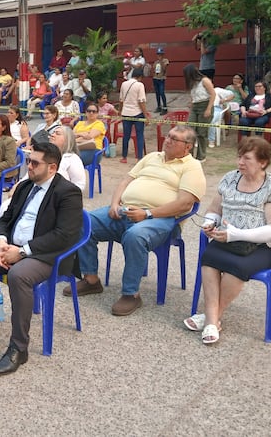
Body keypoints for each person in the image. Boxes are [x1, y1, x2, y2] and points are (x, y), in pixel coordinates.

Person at [0, 142, 83, 375]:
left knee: (18, 275)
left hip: (45, 255)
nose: (28, 166)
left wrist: (21, 252)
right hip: (11, 246)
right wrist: (1, 241)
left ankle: (19, 347)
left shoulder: (68, 192)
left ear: (52, 168)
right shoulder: (25, 186)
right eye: (29, 161)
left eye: (34, 163)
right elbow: (6, 217)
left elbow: (64, 236)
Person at [66, 125, 206, 316]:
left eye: (174, 139)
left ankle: (131, 294)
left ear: (187, 147)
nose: (168, 140)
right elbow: (125, 180)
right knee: (83, 221)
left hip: (161, 219)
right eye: (168, 136)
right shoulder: (152, 157)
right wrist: (114, 203)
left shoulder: (192, 167)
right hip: (125, 210)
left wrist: (147, 213)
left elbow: (184, 204)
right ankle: (91, 279)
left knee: (135, 235)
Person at [185, 137, 271, 344]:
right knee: (209, 258)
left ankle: (210, 319)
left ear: (263, 162)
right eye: (239, 157)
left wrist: (236, 234)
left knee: (237, 266)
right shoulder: (229, 179)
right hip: (229, 239)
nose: (240, 162)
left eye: (247, 158)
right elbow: (215, 209)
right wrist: (210, 222)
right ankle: (212, 320)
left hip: (263, 246)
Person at [183, 64, 216, 162]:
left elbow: (213, 94)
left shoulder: (205, 81)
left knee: (202, 132)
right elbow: (193, 95)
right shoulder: (192, 83)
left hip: (205, 105)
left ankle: (201, 156)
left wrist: (208, 109)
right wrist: (191, 102)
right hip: (195, 106)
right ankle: (189, 154)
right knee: (190, 130)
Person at [118, 67, 150, 163]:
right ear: (140, 77)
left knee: (126, 136)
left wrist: (120, 111)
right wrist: (146, 115)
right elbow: (141, 101)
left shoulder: (124, 84)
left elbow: (121, 100)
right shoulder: (140, 85)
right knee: (139, 135)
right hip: (137, 113)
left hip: (126, 113)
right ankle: (139, 158)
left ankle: (124, 157)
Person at [152, 48, 169, 114]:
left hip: (161, 79)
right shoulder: (156, 62)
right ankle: (159, 106)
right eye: (158, 54)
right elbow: (154, 70)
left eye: (160, 54)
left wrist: (161, 61)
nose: (159, 55)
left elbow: (165, 69)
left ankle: (165, 107)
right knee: (157, 93)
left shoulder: (165, 60)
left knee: (162, 92)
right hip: (156, 78)